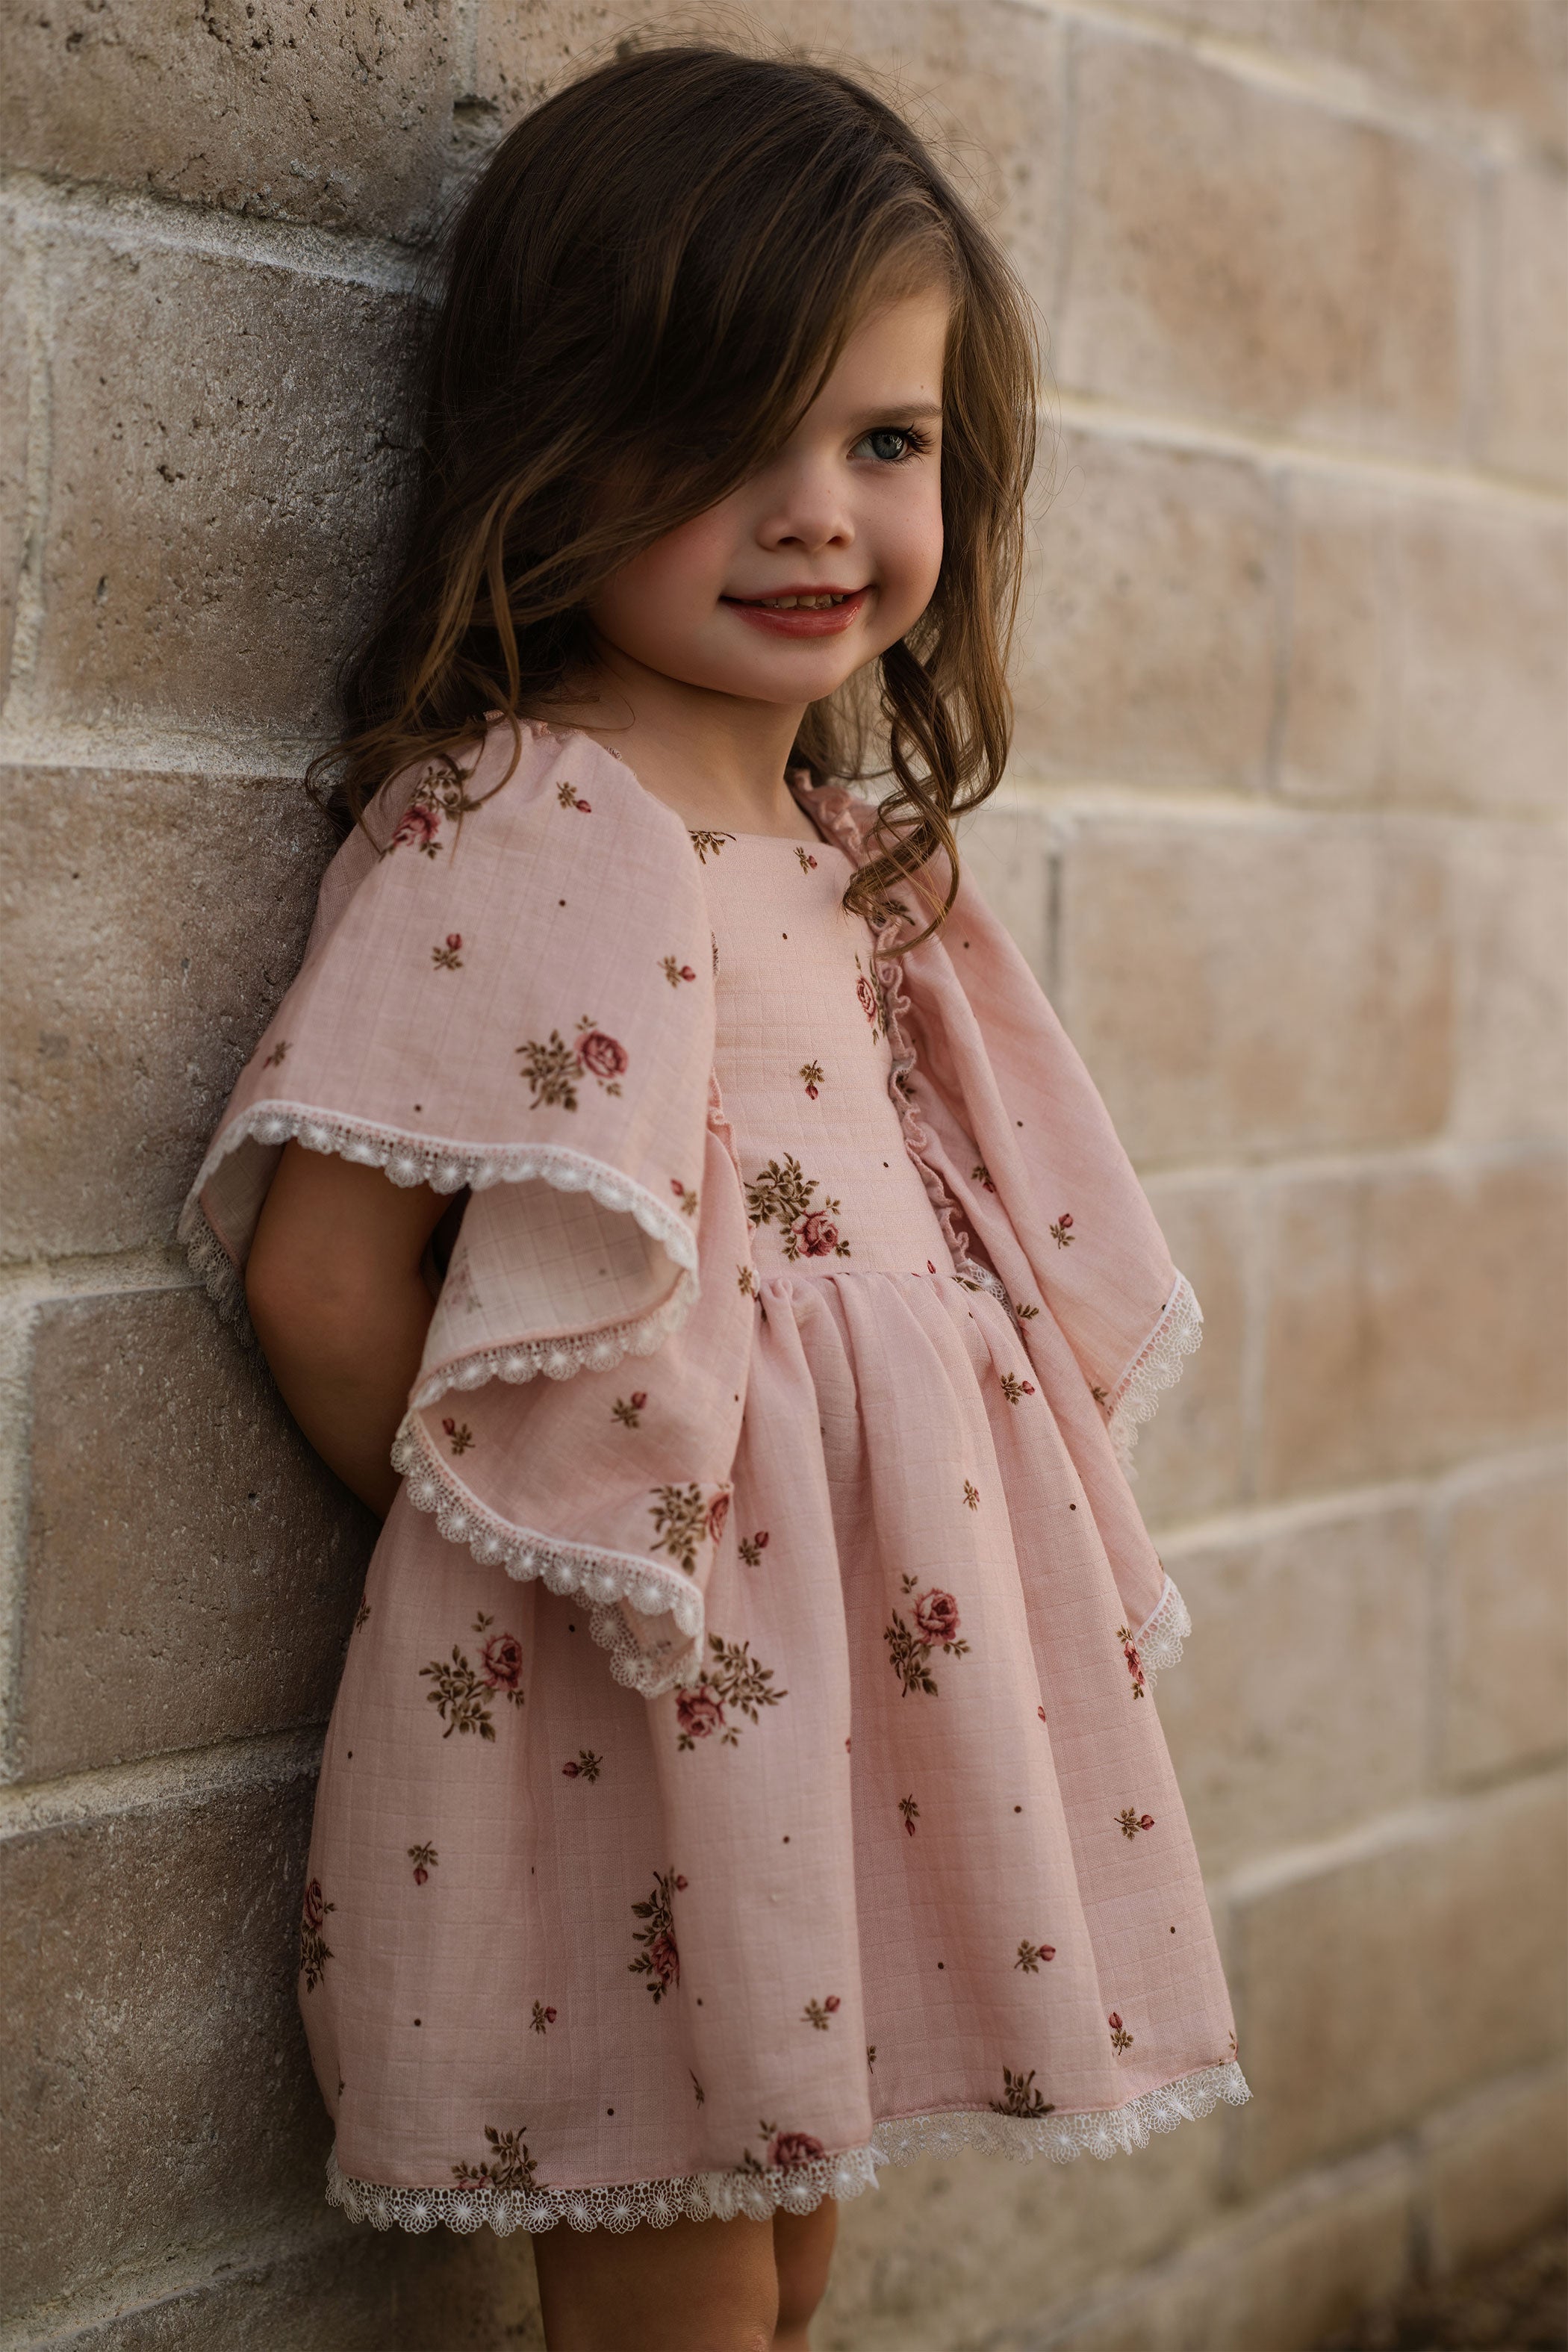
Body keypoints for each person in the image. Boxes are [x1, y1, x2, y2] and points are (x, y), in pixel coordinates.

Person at [181, 44, 1251, 2352]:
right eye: (722, 441)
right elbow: (325, 1272)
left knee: (782, 2261)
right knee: (671, 2264)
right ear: (555, 445)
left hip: (850, 1680)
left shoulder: (854, 858)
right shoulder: (531, 821)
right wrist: (545, 1550)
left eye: (883, 444)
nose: (819, 518)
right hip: (636, 1683)